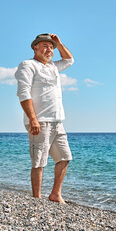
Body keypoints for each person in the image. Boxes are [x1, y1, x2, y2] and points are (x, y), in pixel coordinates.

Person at [14, 33, 74, 204]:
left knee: (64, 157)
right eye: (46, 46)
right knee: (39, 162)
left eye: (51, 47)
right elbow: (23, 93)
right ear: (36, 47)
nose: (50, 49)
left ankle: (55, 194)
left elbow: (69, 60)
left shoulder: (53, 67)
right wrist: (33, 119)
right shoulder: (28, 65)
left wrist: (59, 43)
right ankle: (36, 199)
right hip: (39, 121)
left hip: (57, 121)